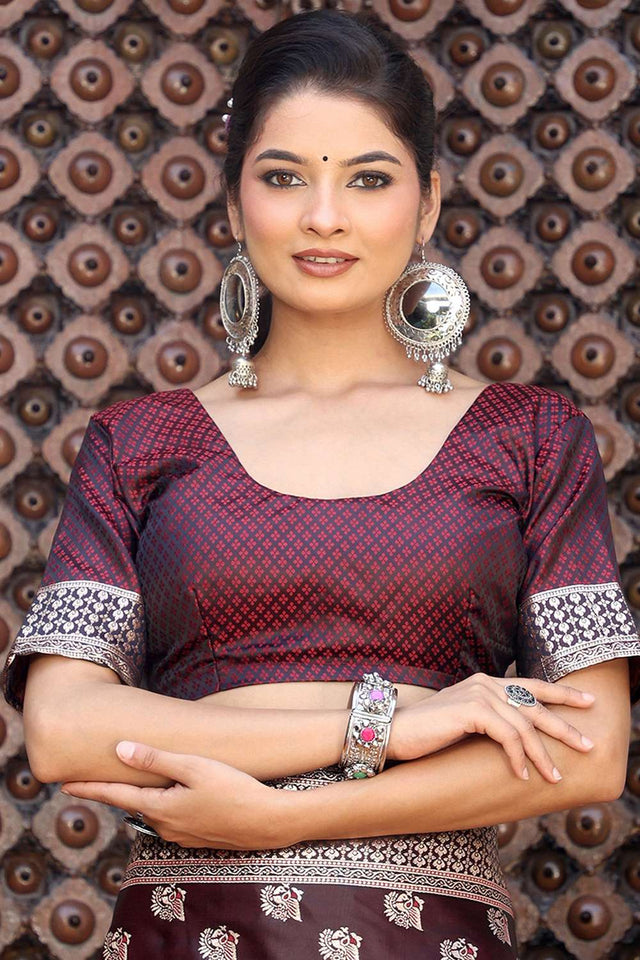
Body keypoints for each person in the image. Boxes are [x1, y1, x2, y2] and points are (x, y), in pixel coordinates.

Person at [4, 10, 640, 959]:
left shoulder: (529, 438)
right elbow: (64, 729)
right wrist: (397, 720)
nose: (324, 217)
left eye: (368, 180)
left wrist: (279, 819)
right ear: (232, 205)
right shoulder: (140, 441)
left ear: (427, 204)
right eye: (284, 176)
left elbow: (588, 757)